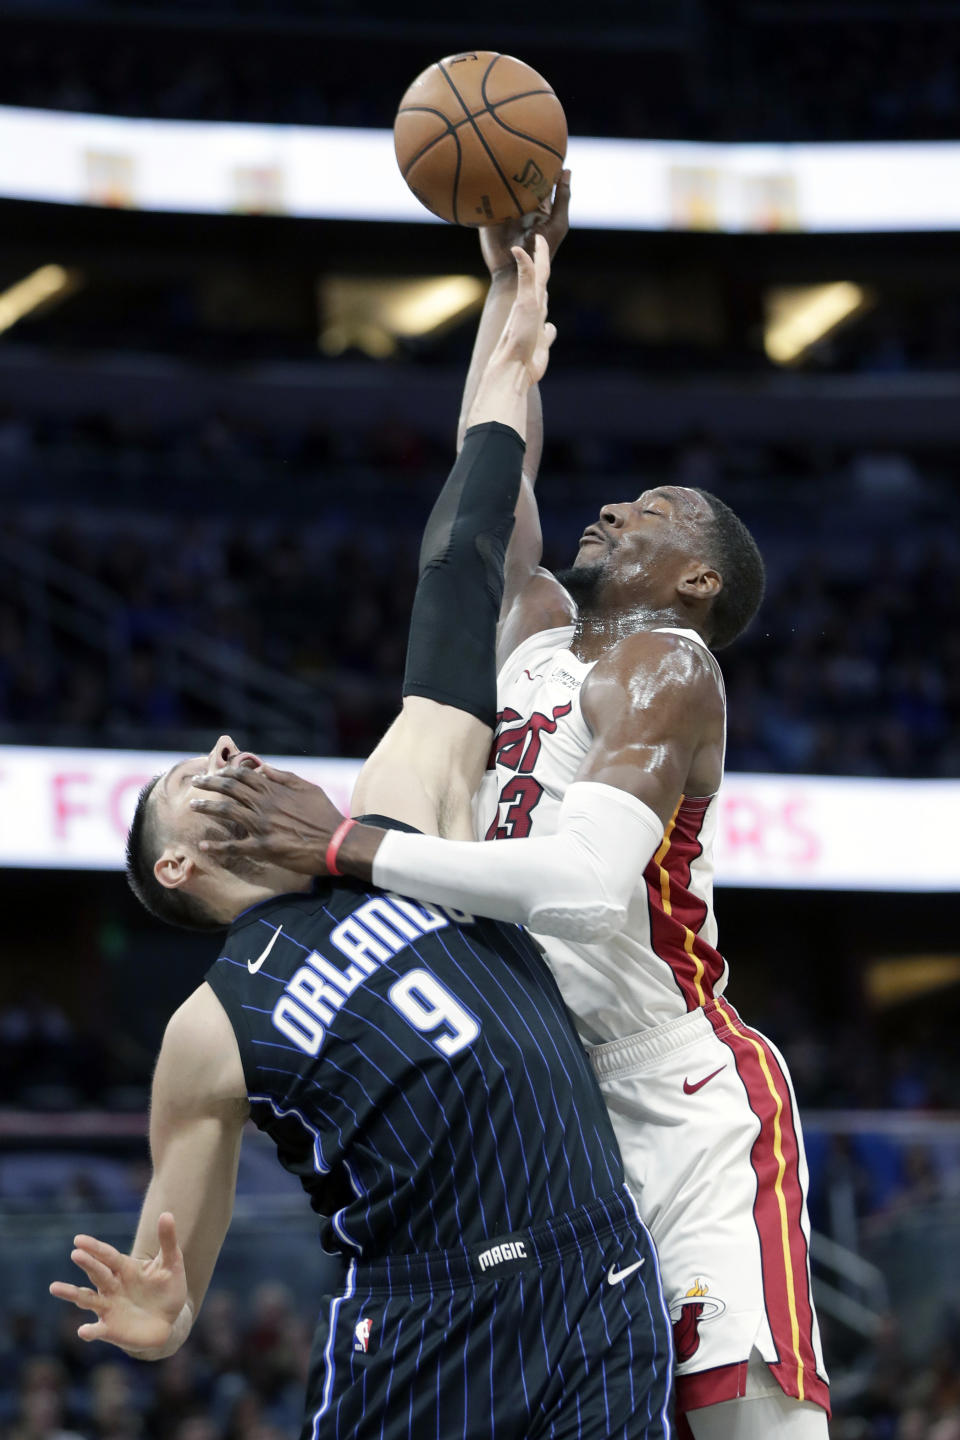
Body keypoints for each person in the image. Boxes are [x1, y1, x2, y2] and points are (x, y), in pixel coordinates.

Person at [191, 183, 830, 1440]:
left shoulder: (665, 663)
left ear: (697, 577)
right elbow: (498, 472)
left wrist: (349, 846)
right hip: (540, 1101)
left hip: (674, 1093)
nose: (613, 508)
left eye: (650, 511)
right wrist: (512, 280)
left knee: (746, 1430)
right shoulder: (536, 624)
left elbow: (588, 890)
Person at [50, 238, 674, 1440]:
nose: (230, 753)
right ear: (175, 867)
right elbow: (173, 1263)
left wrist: (508, 315)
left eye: (225, 748)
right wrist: (159, 1314)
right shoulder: (207, 1026)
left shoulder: (396, 813)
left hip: (595, 1269)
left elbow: (463, 556)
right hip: (427, 1326)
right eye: (195, 775)